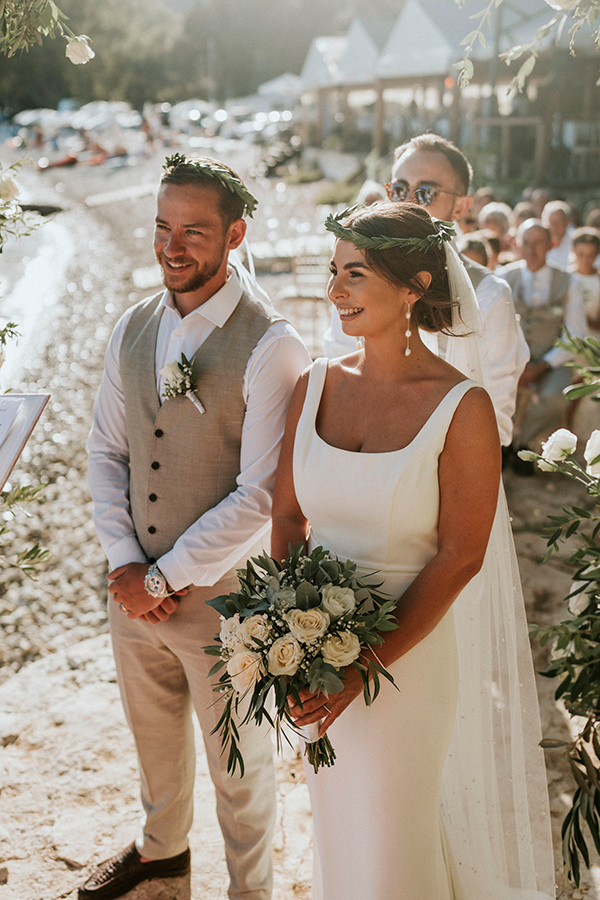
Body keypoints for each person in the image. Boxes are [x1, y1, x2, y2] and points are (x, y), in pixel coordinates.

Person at [272, 202, 554, 900]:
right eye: (333, 272)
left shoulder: (463, 408)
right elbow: (286, 517)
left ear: (414, 286)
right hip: (315, 657)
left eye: (355, 274)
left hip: (406, 665)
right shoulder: (313, 386)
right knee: (342, 841)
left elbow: (460, 555)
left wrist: (356, 668)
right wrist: (288, 634)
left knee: (396, 851)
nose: (336, 290)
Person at [83, 154, 310, 900]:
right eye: (162, 227)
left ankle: (251, 890)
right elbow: (107, 449)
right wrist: (124, 561)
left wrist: (162, 577)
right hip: (132, 590)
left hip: (222, 605)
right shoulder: (132, 327)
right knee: (154, 744)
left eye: (193, 231)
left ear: (234, 234)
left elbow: (261, 493)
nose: (172, 246)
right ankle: (162, 857)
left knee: (238, 764)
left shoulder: (271, 344)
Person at [322, 133, 529, 449]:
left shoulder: (488, 295)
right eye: (399, 189)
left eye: (426, 191)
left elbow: (496, 424)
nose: (407, 202)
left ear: (461, 207)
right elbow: (337, 375)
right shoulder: (354, 283)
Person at [497, 218, 587, 462]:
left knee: (556, 397)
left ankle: (522, 444)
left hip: (550, 359)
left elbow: (575, 333)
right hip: (510, 357)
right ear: (516, 244)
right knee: (493, 390)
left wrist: (542, 365)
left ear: (552, 244)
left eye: (538, 243)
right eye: (526, 242)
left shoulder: (570, 282)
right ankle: (500, 443)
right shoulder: (502, 277)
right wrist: (515, 362)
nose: (531, 249)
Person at [570, 227, 600, 338]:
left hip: (594, 342)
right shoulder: (565, 278)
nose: (585, 260)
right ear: (573, 251)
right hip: (568, 342)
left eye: (590, 255)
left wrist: (581, 318)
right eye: (581, 254)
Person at [542, 199, 573, 270]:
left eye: (558, 222)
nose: (554, 227)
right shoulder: (540, 242)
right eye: (551, 223)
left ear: (567, 222)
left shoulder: (575, 241)